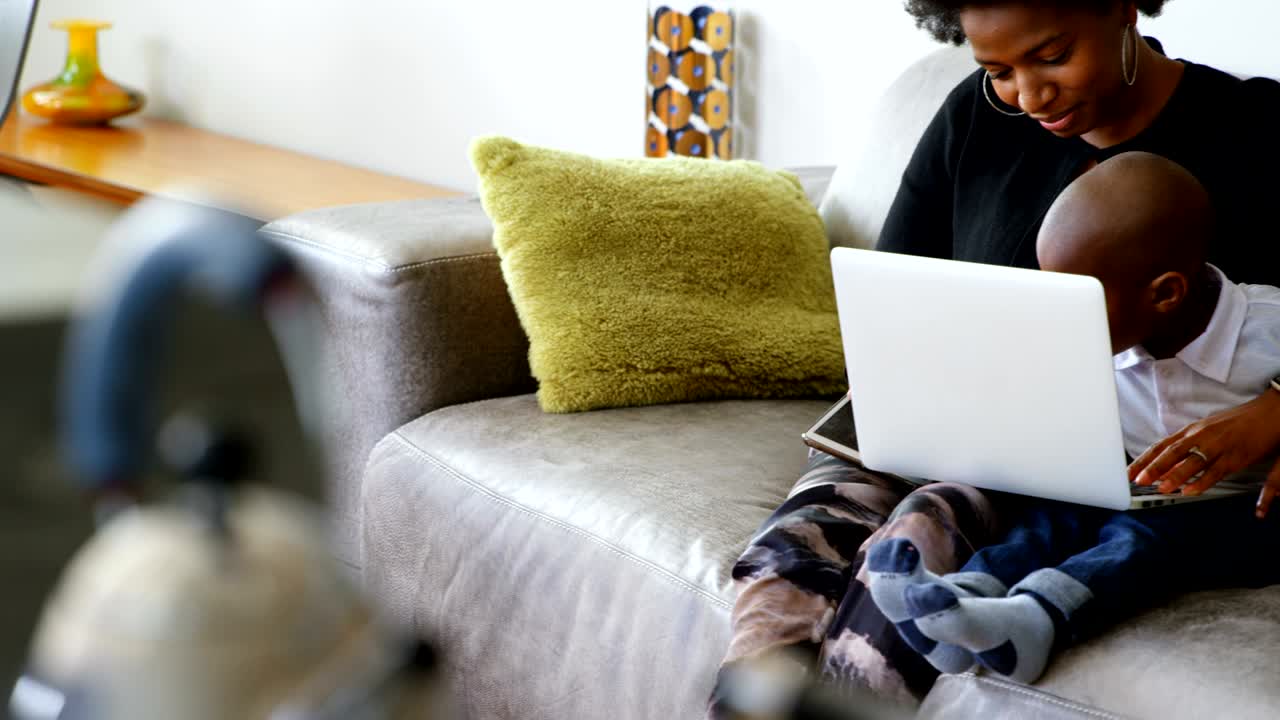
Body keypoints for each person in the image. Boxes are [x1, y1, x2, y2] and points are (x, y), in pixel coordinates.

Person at [709, 1, 1280, 714]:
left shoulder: (1256, 131)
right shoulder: (974, 116)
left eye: (1052, 56)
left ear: (1122, 9)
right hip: (942, 425)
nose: (1028, 96)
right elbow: (892, 295)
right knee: (790, 554)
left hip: (1086, 476)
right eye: (998, 70)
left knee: (916, 543)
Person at [866, 151, 1280, 685]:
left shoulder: (1267, 327)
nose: (1055, 314)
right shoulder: (1095, 341)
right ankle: (964, 599)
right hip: (1132, 489)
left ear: (1165, 294)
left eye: (1075, 297)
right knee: (1055, 512)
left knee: (1146, 536)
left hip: (1248, 516)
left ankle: (1037, 619)